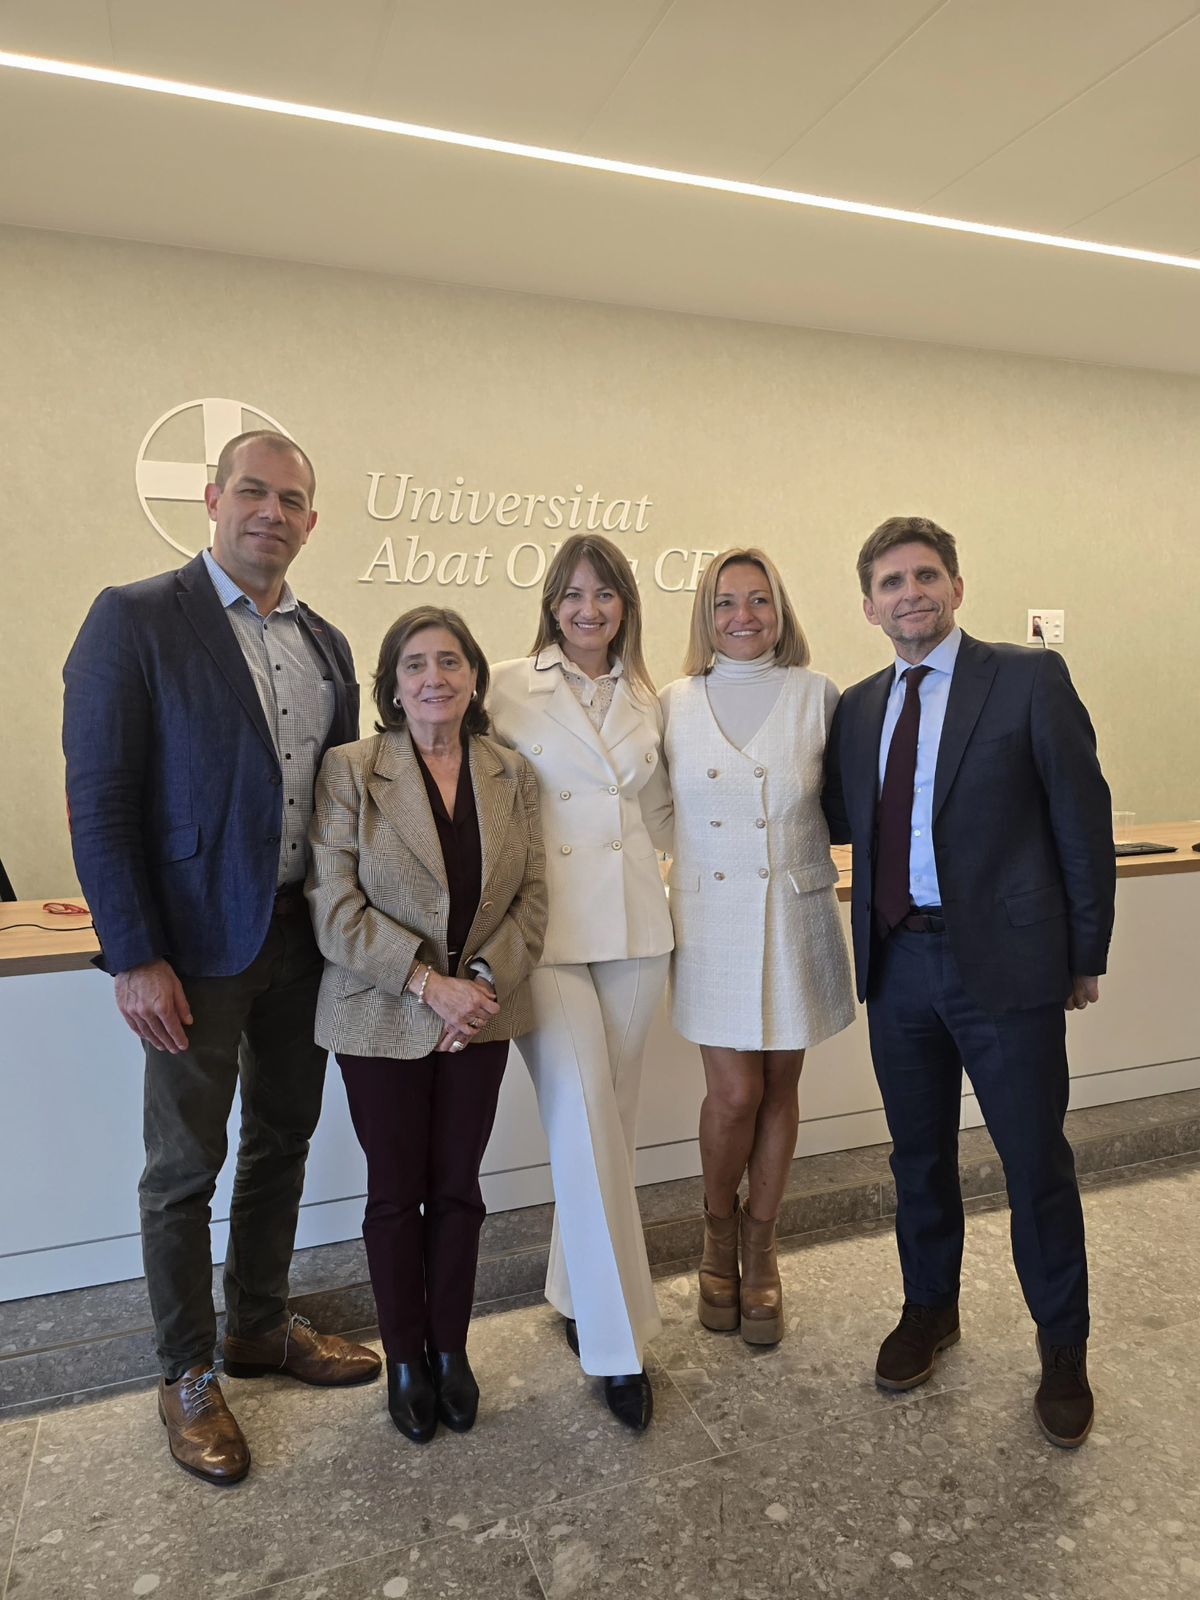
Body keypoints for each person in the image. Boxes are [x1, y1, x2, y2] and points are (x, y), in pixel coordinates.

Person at [62, 431, 380, 1487]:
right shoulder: (138, 617)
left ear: (311, 522)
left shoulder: (328, 642)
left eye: (293, 499)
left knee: (284, 1138)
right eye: (254, 490)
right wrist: (133, 954)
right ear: (213, 498)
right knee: (183, 1169)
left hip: (304, 938)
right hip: (193, 947)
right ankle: (187, 1372)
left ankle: (256, 1325)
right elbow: (102, 801)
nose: (272, 512)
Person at [822, 515, 1115, 1448]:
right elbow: (841, 820)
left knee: (1035, 1164)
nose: (909, 592)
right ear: (868, 605)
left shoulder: (1027, 680)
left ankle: (1062, 1348)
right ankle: (929, 1310)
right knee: (918, 1159)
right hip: (898, 965)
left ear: (956, 586)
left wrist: (1084, 952)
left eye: (925, 575)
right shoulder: (860, 707)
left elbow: (1082, 817)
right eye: (890, 582)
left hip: (1007, 968)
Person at [306, 607, 546, 1443]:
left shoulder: (512, 773)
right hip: (380, 1014)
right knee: (393, 1193)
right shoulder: (350, 770)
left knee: (458, 1191)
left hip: (480, 1015)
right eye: (415, 664)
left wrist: (476, 985)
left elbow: (532, 899)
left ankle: (452, 1351)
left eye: (450, 661)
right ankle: (403, 1359)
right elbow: (332, 909)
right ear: (392, 685)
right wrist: (426, 984)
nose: (434, 677)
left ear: (476, 677)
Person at [488, 533, 672, 1431]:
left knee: (614, 1125)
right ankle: (617, 1341)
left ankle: (570, 1286)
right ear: (552, 605)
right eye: (573, 594)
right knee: (586, 1113)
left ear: (626, 605)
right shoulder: (506, 684)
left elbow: (665, 810)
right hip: (548, 935)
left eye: (605, 595)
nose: (589, 609)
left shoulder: (648, 696)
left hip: (640, 930)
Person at [659, 549, 855, 1345]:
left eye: (759, 601)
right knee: (733, 1093)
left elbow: (847, 808)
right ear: (705, 617)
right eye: (726, 603)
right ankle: (715, 1235)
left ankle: (762, 1248)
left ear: (781, 610)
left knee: (780, 1087)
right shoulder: (672, 701)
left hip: (796, 907)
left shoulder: (819, 697)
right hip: (711, 917)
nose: (743, 617)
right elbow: (646, 809)